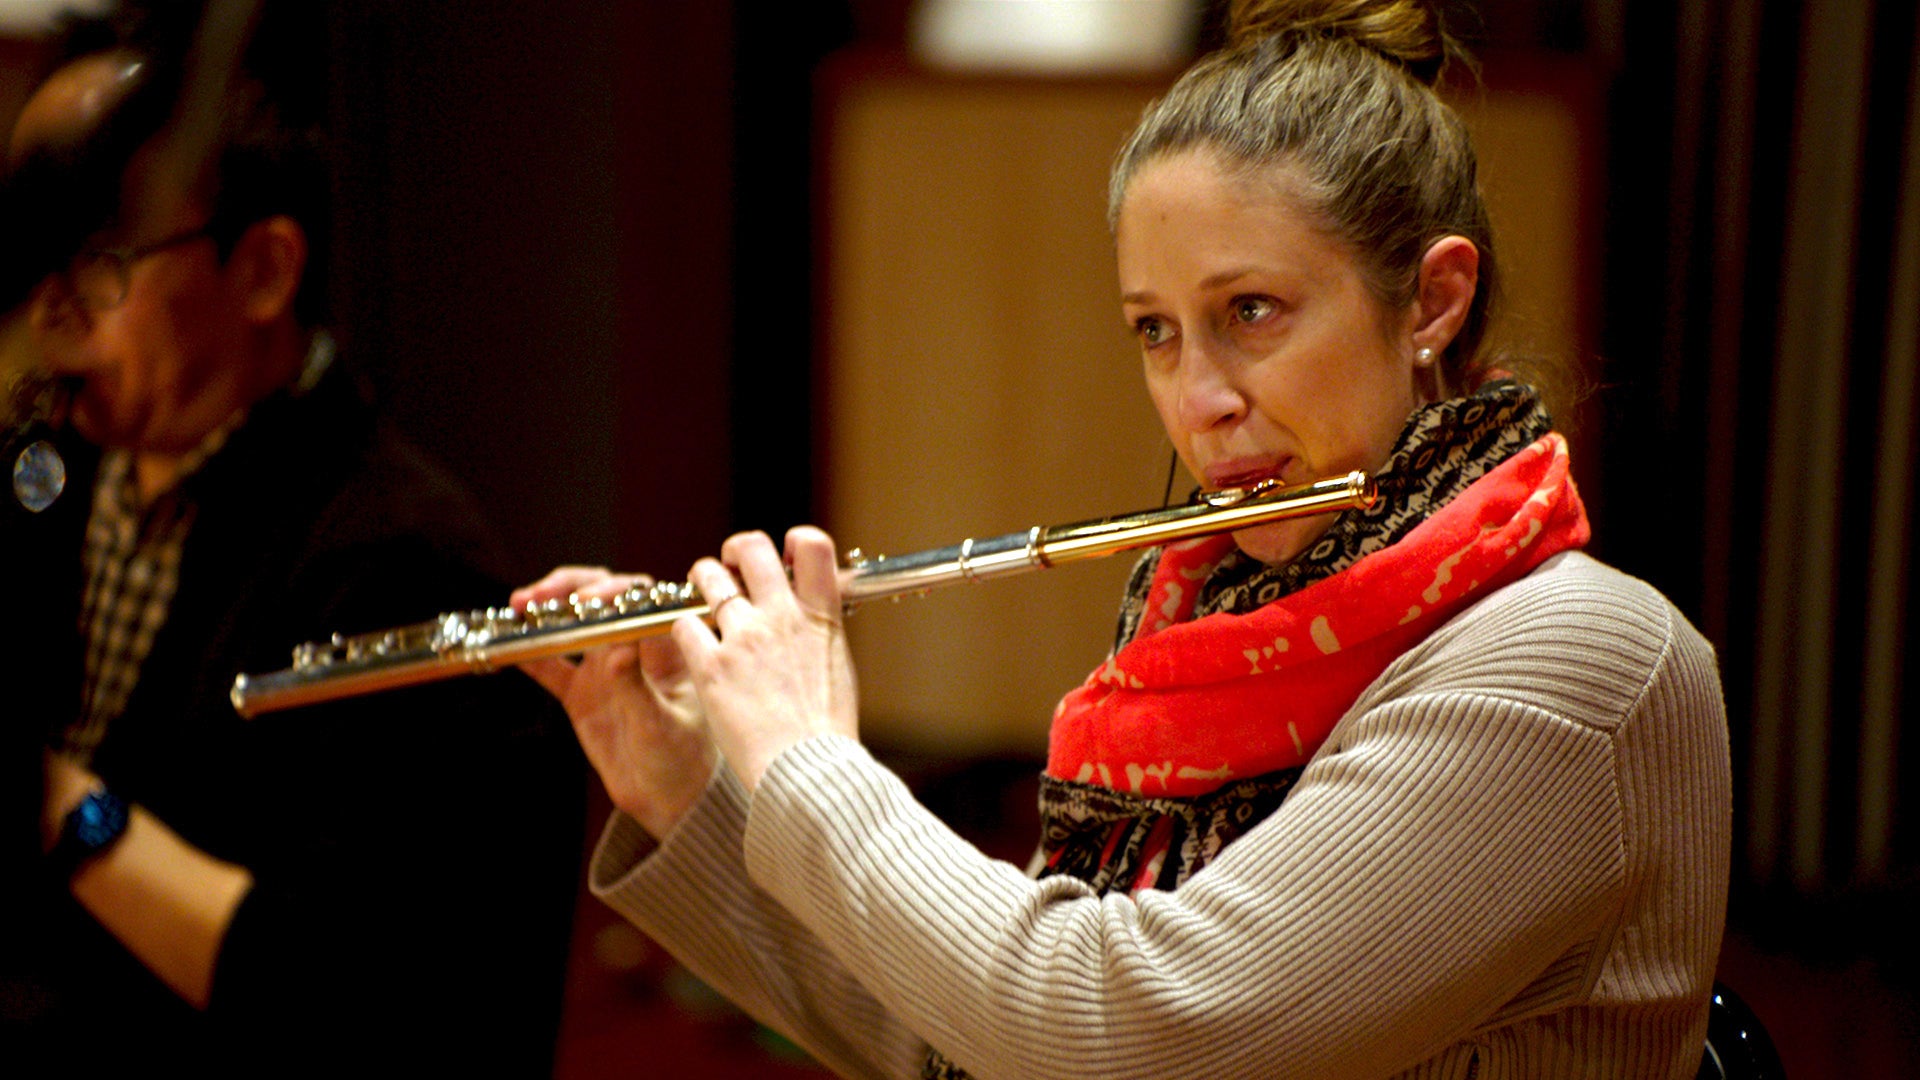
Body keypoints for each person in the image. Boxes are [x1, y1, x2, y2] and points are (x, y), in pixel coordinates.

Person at [517, 1, 1732, 1076]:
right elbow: (974, 1040)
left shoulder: (1572, 670)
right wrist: (696, 797)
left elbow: (1117, 1037)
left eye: (1249, 313)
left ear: (1431, 299)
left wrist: (806, 763)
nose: (1197, 396)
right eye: (1156, 332)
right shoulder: (1207, 636)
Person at [1, 7, 583, 1074]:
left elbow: (351, 998)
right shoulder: (55, 473)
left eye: (97, 261)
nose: (51, 313)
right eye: (34, 258)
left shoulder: (404, 565)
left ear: (264, 271)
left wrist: (55, 809)